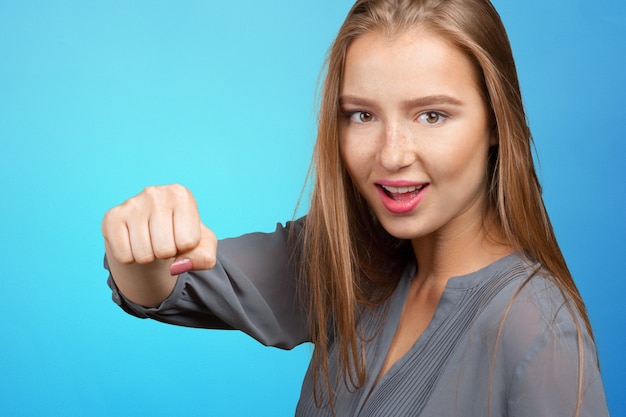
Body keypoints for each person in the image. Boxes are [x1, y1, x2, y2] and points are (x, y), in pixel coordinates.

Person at [101, 0, 609, 415]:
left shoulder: (539, 332)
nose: (390, 155)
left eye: (432, 115)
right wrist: (140, 242)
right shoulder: (347, 258)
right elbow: (167, 285)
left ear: (496, 122)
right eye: (362, 114)